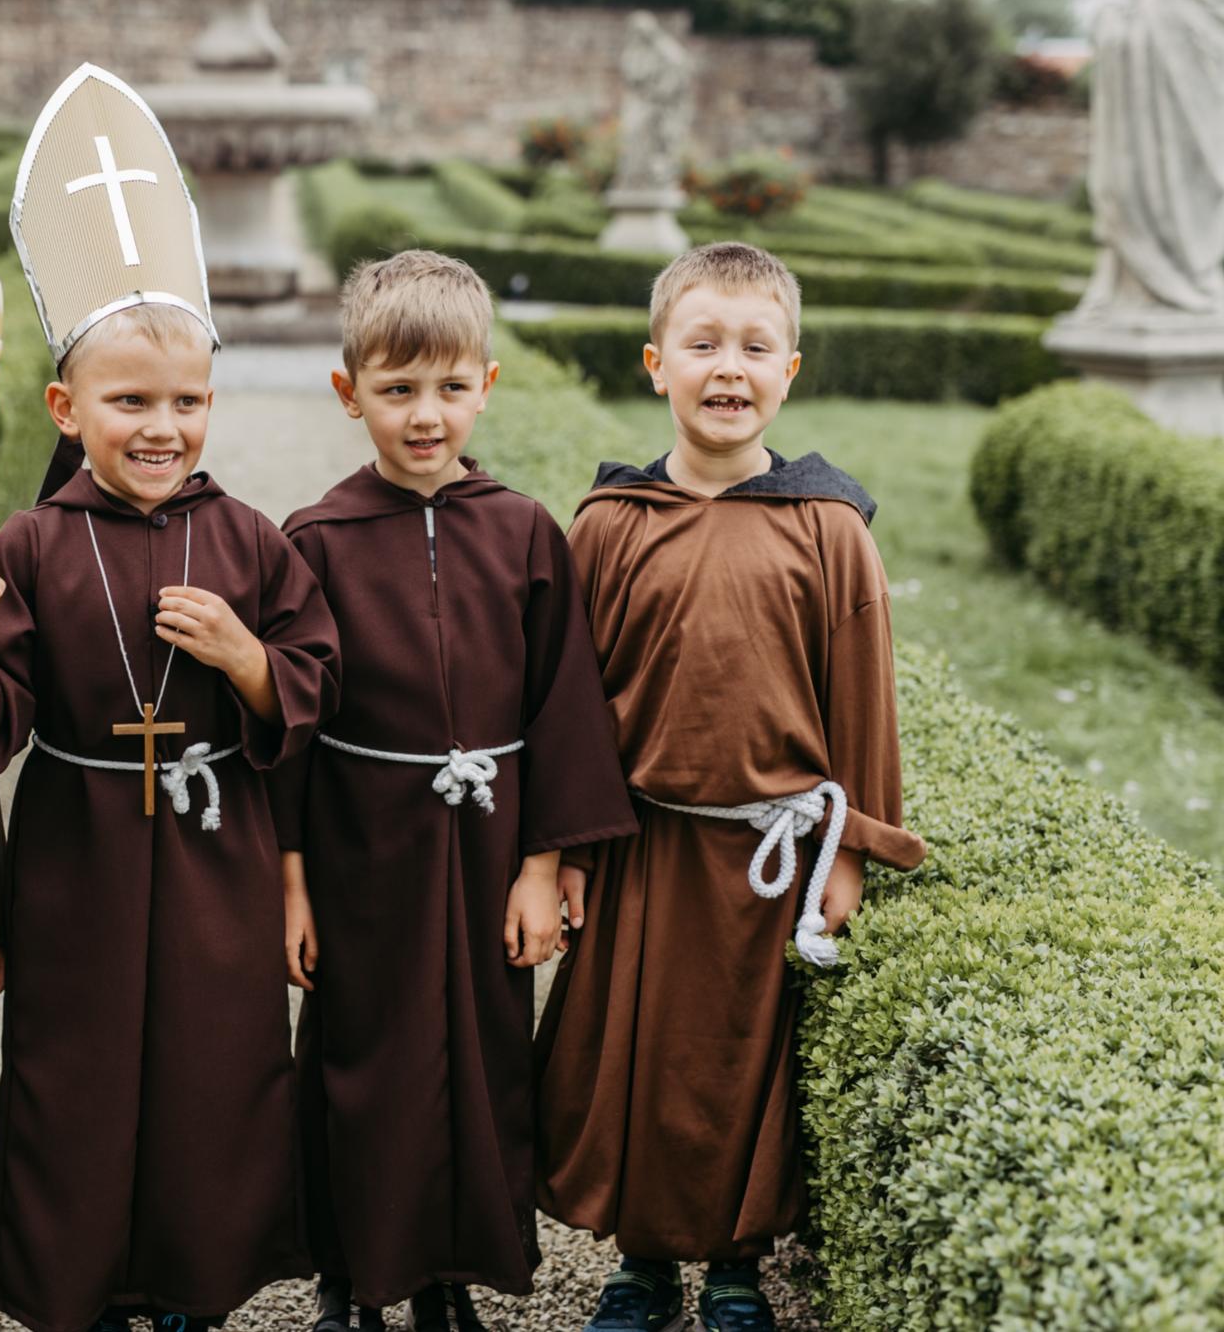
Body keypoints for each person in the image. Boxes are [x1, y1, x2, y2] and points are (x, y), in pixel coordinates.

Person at [0, 63, 341, 1332]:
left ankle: (187, 1287)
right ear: (66, 407)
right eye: (127, 403)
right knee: (74, 1076)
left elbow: (310, 679)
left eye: (185, 402)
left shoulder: (254, 539)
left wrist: (242, 660)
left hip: (217, 843)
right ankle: (75, 1293)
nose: (159, 428)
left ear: (213, 404)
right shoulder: (31, 544)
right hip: (82, 849)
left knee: (213, 1074)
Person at [533, 243, 928, 1332]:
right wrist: (564, 847)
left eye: (753, 347)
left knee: (739, 1068)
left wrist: (849, 848)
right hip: (643, 845)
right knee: (636, 1057)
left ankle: (738, 1265)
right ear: (654, 362)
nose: (726, 368)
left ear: (788, 370)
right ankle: (643, 1262)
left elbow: (861, 707)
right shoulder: (608, 527)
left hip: (770, 861)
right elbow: (566, 709)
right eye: (701, 343)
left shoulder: (827, 531)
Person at [271, 250, 638, 1332]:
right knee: (357, 1054)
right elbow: (290, 728)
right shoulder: (315, 539)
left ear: (485, 383)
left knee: (475, 1060)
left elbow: (561, 702)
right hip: (358, 848)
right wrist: (289, 884)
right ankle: (349, 1278)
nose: (423, 415)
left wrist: (542, 866)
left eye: (446, 387)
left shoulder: (523, 531)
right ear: (349, 395)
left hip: (486, 850)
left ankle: (444, 1276)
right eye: (395, 391)